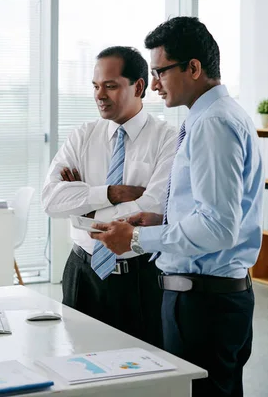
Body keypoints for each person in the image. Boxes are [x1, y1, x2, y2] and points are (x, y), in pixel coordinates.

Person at [92, 18, 264, 397]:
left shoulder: (212, 124)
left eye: (160, 72)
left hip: (204, 304)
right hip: (213, 298)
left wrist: (138, 238)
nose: (154, 84)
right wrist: (161, 219)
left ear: (193, 68)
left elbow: (219, 226)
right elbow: (216, 210)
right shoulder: (219, 116)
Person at [42, 46, 177, 347]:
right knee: (81, 369)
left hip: (138, 279)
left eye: (111, 86)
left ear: (139, 86)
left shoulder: (167, 138)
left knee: (142, 375)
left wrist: (85, 210)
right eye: (96, 86)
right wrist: (110, 193)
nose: (100, 94)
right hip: (82, 273)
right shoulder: (83, 135)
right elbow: (51, 199)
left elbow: (152, 207)